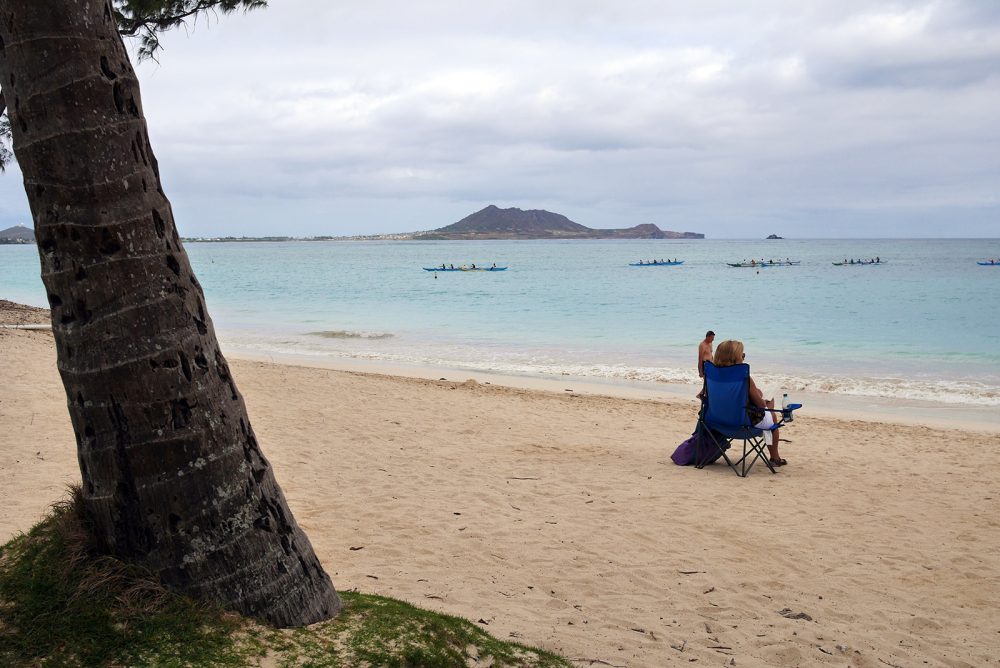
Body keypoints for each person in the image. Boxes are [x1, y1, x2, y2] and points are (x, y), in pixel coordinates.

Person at [712, 339, 786, 466]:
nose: (744, 358)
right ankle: (775, 458)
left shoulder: (712, 375)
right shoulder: (744, 378)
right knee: (770, 406)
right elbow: (761, 405)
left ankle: (774, 454)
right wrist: (759, 394)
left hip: (717, 423)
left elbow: (703, 397)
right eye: (742, 355)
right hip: (743, 425)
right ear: (735, 358)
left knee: (766, 405)